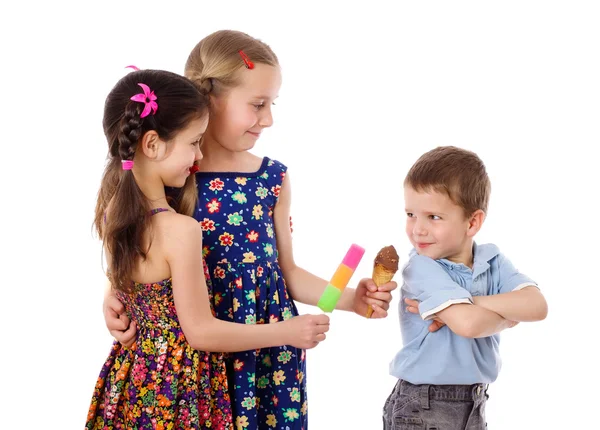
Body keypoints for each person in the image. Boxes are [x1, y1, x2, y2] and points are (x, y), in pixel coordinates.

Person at [104, 30, 397, 430]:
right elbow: (136, 244)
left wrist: (349, 299)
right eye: (258, 104)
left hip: (266, 362)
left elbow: (286, 274)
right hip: (195, 362)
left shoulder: (271, 180)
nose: (269, 119)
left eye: (271, 104)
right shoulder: (172, 177)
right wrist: (113, 296)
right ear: (209, 100)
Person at [87, 69, 329, 429]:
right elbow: (199, 332)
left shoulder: (112, 213)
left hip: (133, 381)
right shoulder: (181, 230)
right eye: (193, 142)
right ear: (152, 144)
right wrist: (286, 331)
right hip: (182, 388)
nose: (198, 154)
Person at [383, 146, 548, 430]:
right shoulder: (421, 267)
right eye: (411, 214)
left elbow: (537, 306)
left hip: (475, 399)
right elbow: (469, 325)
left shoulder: (492, 261)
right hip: (424, 405)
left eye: (433, 217)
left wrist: (472, 302)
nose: (417, 229)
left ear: (472, 222)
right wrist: (508, 317)